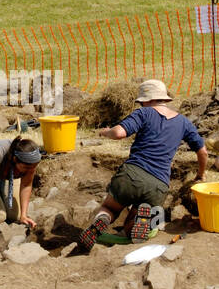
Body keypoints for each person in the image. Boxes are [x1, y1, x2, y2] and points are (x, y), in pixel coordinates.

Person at [80, 79, 208, 252]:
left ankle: (101, 220)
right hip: (159, 185)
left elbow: (118, 133)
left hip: (131, 174)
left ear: (146, 100)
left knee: (110, 207)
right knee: (139, 216)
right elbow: (203, 152)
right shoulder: (184, 122)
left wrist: (105, 132)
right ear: (163, 98)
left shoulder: (144, 113)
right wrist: (201, 175)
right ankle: (136, 224)